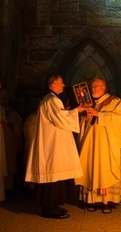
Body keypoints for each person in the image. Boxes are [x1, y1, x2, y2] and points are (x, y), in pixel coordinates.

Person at [25, 74, 85, 219]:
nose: (63, 85)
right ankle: (49, 208)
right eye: (61, 83)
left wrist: (69, 110)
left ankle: (54, 205)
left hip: (54, 142)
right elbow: (61, 119)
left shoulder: (50, 99)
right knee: (53, 174)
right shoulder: (52, 99)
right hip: (53, 144)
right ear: (54, 83)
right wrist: (77, 110)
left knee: (56, 174)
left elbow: (60, 115)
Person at [75, 78, 121, 213]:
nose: (92, 89)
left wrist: (99, 114)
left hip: (105, 144)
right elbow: (83, 123)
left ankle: (106, 201)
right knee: (90, 167)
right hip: (90, 143)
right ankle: (91, 200)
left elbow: (117, 119)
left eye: (95, 86)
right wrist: (85, 117)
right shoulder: (88, 103)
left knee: (104, 169)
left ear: (103, 87)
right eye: (91, 87)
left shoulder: (114, 101)